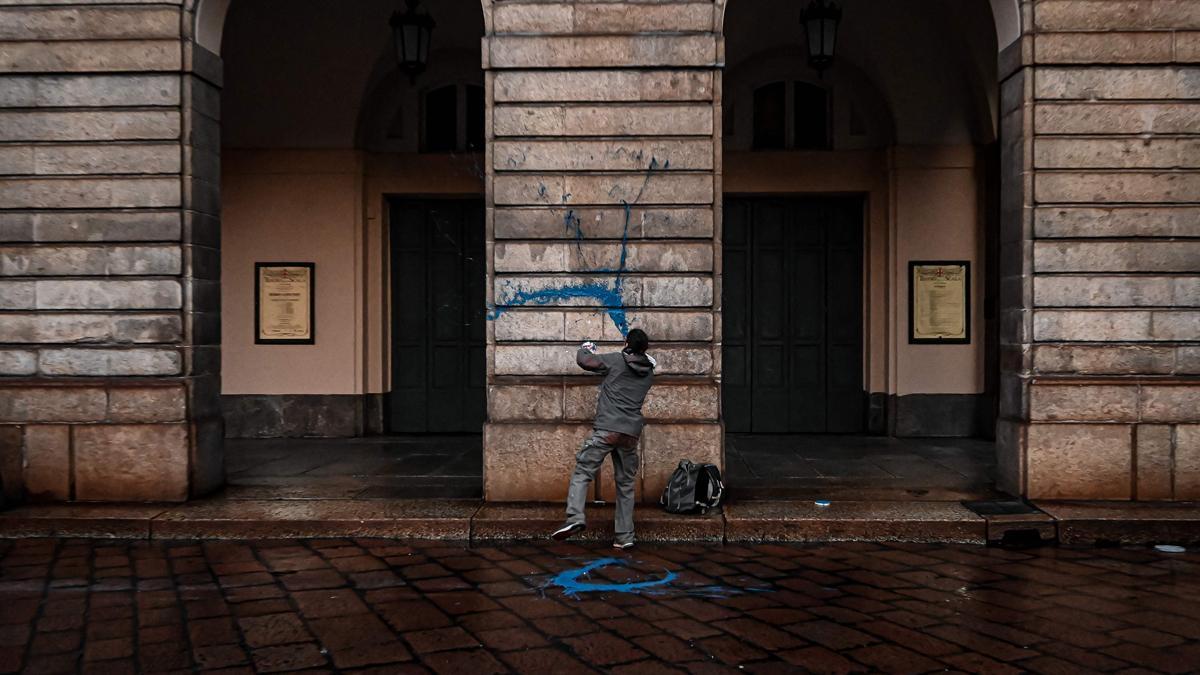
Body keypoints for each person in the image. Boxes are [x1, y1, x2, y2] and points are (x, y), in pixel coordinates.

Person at [551, 328, 656, 549]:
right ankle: (624, 537)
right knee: (626, 484)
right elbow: (643, 363)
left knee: (583, 472)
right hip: (630, 434)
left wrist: (586, 347)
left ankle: (575, 519)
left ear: (626, 342)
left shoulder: (617, 361)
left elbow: (586, 361)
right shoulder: (648, 373)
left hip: (607, 429)